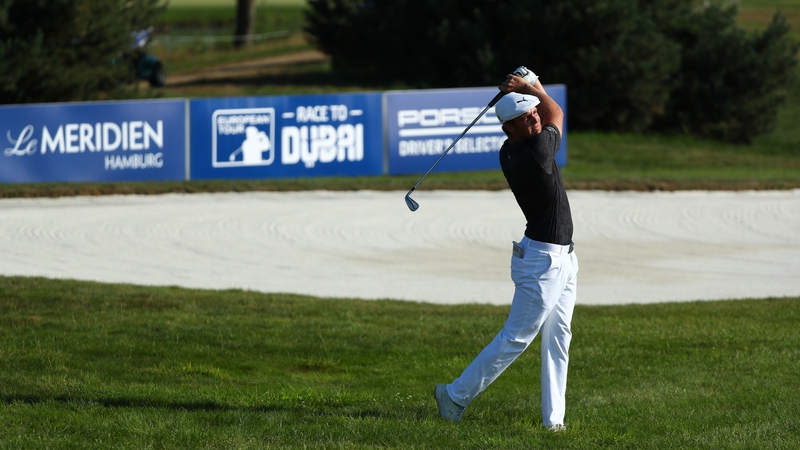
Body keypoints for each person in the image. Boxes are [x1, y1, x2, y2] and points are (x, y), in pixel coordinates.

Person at [434, 70, 578, 432]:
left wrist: (530, 85)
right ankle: (454, 395)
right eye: (524, 118)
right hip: (543, 263)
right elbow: (556, 112)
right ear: (508, 128)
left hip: (561, 257)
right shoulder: (537, 152)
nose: (534, 119)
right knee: (515, 338)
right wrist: (529, 85)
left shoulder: (509, 150)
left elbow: (545, 111)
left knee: (558, 337)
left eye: (533, 113)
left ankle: (554, 422)